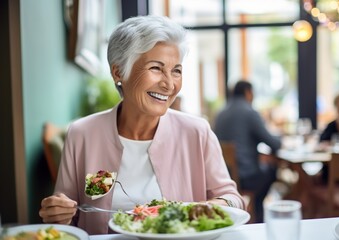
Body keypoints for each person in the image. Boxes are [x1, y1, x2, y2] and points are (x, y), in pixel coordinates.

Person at [39, 15, 245, 235]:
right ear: (118, 72)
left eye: (176, 70)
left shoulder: (197, 132)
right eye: (156, 68)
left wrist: (212, 207)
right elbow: (66, 218)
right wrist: (57, 212)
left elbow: (234, 200)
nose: (169, 84)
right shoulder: (83, 134)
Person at [214, 80, 281, 223]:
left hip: (224, 177)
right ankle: (257, 209)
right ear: (248, 93)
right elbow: (273, 143)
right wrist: (280, 138)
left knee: (264, 165)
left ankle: (253, 209)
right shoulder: (250, 112)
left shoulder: (220, 113)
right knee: (272, 169)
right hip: (246, 177)